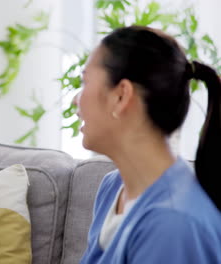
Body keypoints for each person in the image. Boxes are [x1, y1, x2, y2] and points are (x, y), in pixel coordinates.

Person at [77, 26, 221, 263]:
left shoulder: (173, 225)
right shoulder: (113, 188)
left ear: (121, 96)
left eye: (86, 81)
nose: (76, 100)